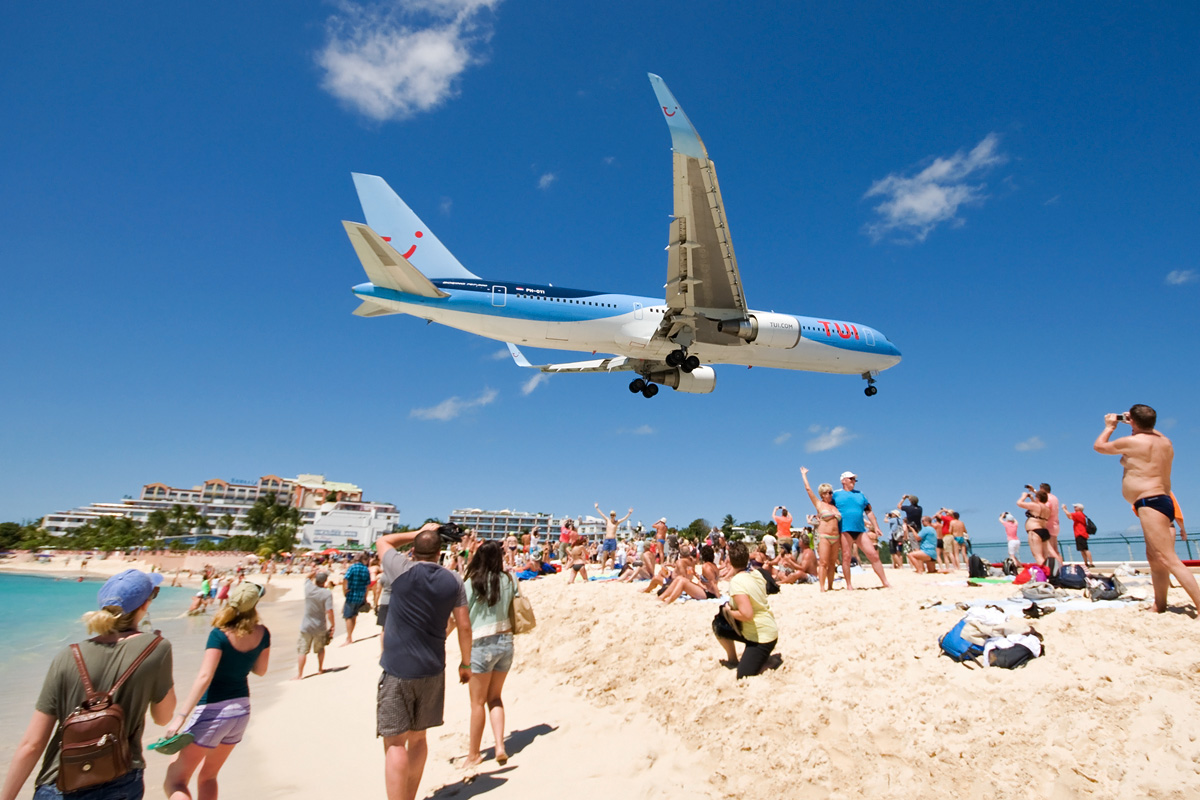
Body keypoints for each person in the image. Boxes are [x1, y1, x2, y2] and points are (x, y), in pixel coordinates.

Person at [1, 570, 176, 800]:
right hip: (120, 782)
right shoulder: (157, 648)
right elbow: (163, 717)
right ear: (145, 605)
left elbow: (32, 744)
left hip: (60, 784)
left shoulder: (67, 656)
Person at [375, 523, 472, 800]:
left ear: (414, 550)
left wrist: (419, 531)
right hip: (432, 669)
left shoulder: (401, 570)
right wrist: (465, 664)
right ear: (440, 552)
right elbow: (464, 626)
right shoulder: (453, 580)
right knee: (418, 739)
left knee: (395, 743)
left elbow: (383, 541)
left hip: (398, 668)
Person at [164, 582, 271, 800]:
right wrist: (244, 658)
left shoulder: (219, 635)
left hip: (212, 712)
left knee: (175, 781)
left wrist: (180, 717)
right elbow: (261, 670)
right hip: (240, 712)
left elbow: (205, 676)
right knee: (209, 776)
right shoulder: (263, 633)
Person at [1095, 405, 1200, 614]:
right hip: (1161, 499)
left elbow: (1099, 446)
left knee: (1168, 558)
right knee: (1155, 558)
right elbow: (1152, 431)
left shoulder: (1132, 442)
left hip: (1151, 500)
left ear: (1132, 421)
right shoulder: (1165, 442)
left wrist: (1110, 427)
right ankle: (1159, 605)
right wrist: (1138, 422)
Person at [461, 541, 516, 769]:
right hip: (506, 641)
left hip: (481, 643)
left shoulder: (472, 582)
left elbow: (460, 616)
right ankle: (500, 746)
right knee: (495, 698)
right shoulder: (509, 579)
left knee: (477, 703)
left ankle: (473, 754)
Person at [713, 542, 778, 679]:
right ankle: (733, 659)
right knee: (718, 624)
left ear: (730, 561)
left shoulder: (737, 581)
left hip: (761, 637)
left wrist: (729, 611)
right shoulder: (756, 575)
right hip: (766, 628)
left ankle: (770, 662)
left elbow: (747, 614)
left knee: (743, 675)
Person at [831, 471, 890, 589]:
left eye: (854, 479)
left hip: (860, 530)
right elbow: (826, 508)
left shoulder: (860, 495)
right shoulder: (836, 495)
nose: (854, 481)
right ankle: (849, 585)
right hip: (844, 529)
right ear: (843, 481)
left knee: (873, 555)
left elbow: (869, 512)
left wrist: (876, 527)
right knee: (846, 557)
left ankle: (885, 582)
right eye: (851, 479)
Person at [800, 467, 841, 592]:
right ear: (822, 494)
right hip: (824, 536)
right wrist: (804, 475)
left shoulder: (835, 506)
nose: (831, 494)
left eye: (831, 492)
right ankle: (822, 587)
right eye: (828, 492)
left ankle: (830, 586)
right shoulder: (819, 504)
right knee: (823, 563)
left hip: (836, 536)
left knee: (832, 563)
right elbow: (808, 489)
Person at [297, 568, 335, 679]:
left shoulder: (308, 588)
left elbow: (307, 577)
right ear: (325, 581)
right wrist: (333, 624)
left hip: (306, 625)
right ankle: (320, 669)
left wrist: (314, 571)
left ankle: (300, 674)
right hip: (320, 625)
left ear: (316, 580)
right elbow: (329, 611)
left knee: (302, 650)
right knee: (320, 648)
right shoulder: (327, 594)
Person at [1016, 489, 1052, 567]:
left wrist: (1023, 496)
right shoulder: (1047, 509)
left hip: (1034, 531)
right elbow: (1036, 507)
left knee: (1038, 556)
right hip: (1044, 531)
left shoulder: (1036, 506)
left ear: (1038, 498)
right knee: (1045, 556)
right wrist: (1032, 498)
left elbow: (1019, 503)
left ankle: (1045, 572)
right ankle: (1049, 571)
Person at [341, 554, 371, 646]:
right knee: (354, 616)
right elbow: (367, 585)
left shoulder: (352, 567)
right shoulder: (366, 569)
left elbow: (345, 579)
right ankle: (350, 636)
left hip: (351, 595)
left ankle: (349, 638)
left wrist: (344, 591)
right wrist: (365, 598)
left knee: (348, 616)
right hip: (360, 595)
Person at [595, 504, 633, 571]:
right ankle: (602, 569)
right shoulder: (608, 520)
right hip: (607, 540)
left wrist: (629, 513)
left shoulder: (616, 522)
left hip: (613, 540)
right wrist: (597, 508)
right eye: (611, 515)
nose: (612, 516)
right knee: (604, 555)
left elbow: (624, 519)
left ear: (615, 515)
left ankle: (612, 569)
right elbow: (602, 514)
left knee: (613, 556)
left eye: (613, 515)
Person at [1063, 503, 1094, 567]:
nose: (1074, 508)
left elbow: (1069, 514)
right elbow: (1070, 517)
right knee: (1082, 550)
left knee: (1085, 549)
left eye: (1075, 507)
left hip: (1081, 533)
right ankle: (1086, 562)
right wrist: (1065, 510)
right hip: (1079, 534)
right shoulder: (1079, 515)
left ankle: (1091, 563)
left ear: (1079, 508)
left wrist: (1064, 509)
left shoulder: (1079, 514)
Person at [1039, 482, 1064, 562]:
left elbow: (1046, 509)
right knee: (1055, 549)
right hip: (1055, 525)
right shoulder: (1054, 498)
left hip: (1048, 525)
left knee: (1049, 550)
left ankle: (1058, 565)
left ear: (1042, 489)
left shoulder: (1047, 498)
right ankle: (1060, 565)